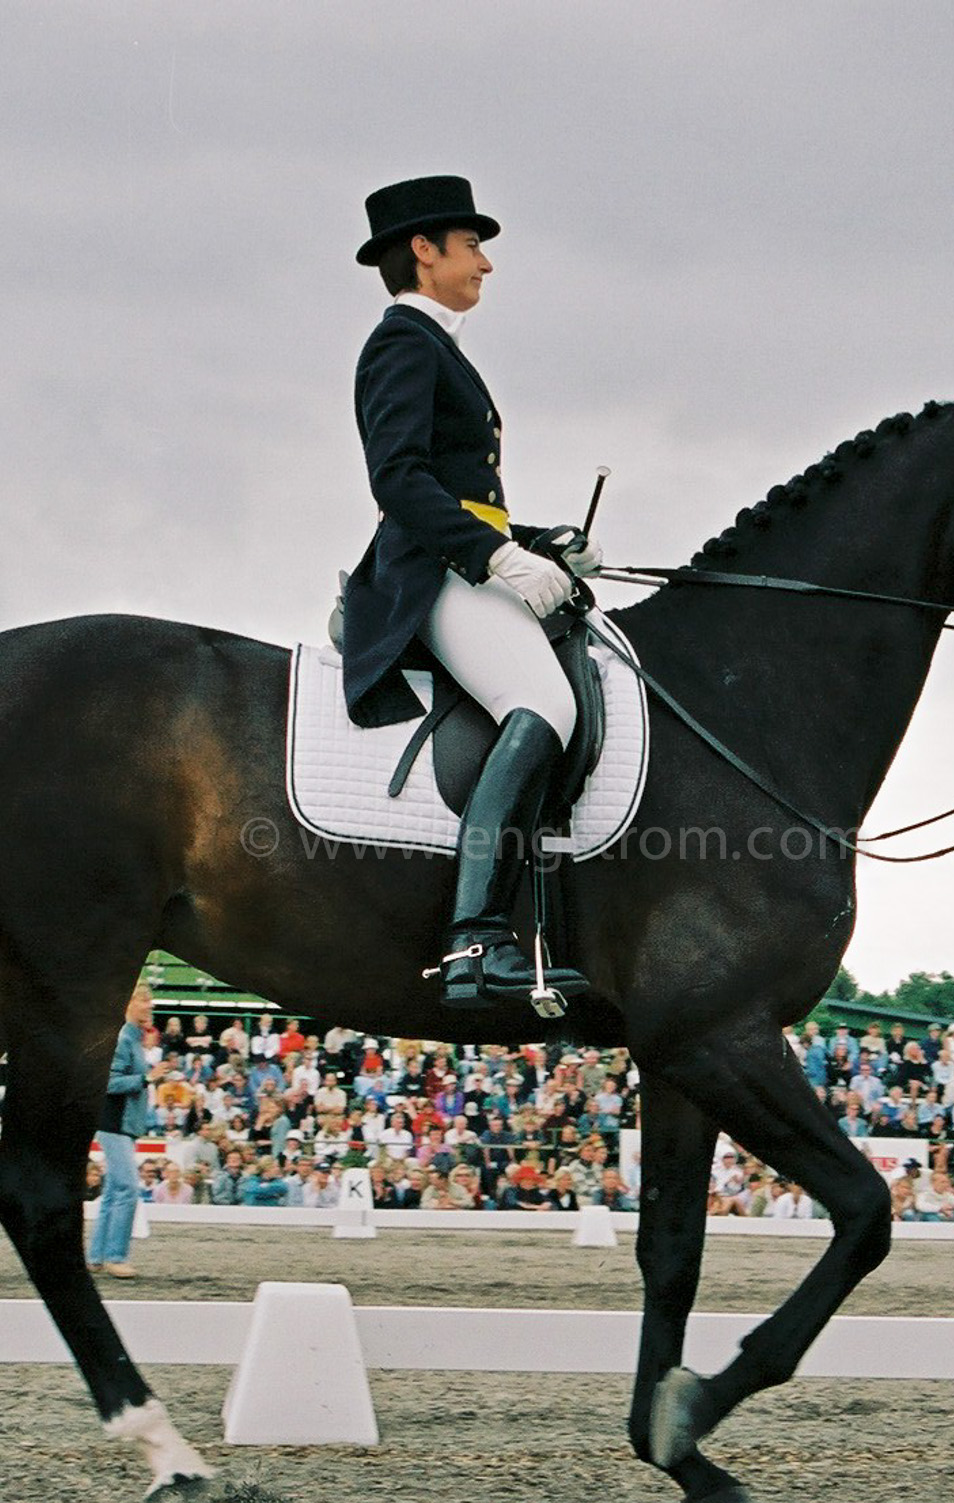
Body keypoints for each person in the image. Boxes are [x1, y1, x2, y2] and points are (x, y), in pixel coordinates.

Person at [339, 174, 601, 1008]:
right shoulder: (405, 343)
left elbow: (464, 496)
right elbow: (400, 481)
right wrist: (496, 560)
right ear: (425, 250)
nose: (485, 263)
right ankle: (475, 942)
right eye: (473, 246)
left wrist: (538, 543)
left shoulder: (440, 345)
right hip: (429, 573)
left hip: (461, 553)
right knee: (545, 705)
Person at [88, 983, 156, 1279]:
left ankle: (96, 1256)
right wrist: (146, 1078)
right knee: (127, 1188)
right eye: (145, 1000)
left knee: (115, 1191)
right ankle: (116, 1256)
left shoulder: (131, 1038)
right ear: (129, 1003)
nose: (150, 1006)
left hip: (118, 1123)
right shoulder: (123, 1038)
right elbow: (107, 1082)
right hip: (115, 1122)